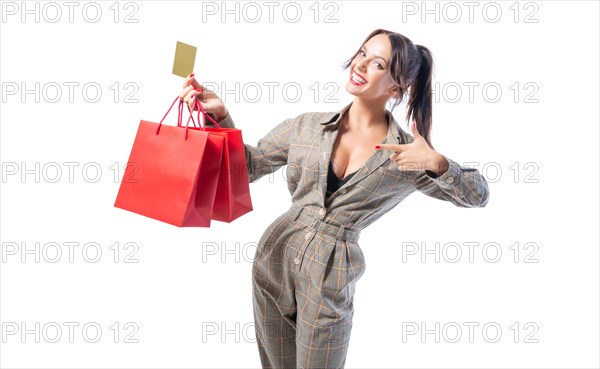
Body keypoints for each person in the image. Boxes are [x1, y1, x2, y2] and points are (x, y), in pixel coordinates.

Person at [179, 28, 490, 369]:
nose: (360, 65)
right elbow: (247, 167)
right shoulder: (308, 126)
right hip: (275, 258)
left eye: (377, 64)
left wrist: (439, 163)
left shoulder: (406, 156)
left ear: (396, 87)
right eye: (361, 53)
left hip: (330, 278)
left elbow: (478, 196)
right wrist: (220, 117)